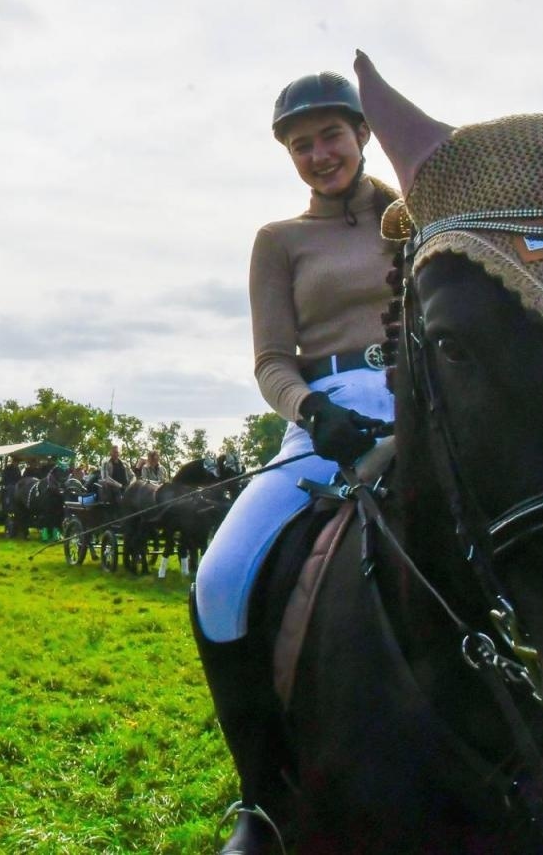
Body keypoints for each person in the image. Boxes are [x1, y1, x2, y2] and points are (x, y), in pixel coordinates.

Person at [192, 71, 398, 854]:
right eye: (300, 144)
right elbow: (273, 361)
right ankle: (262, 798)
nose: (318, 155)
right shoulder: (279, 242)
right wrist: (316, 412)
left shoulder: (416, 213)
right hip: (326, 417)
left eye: (330, 137)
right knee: (218, 581)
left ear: (362, 135)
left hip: (434, 400)